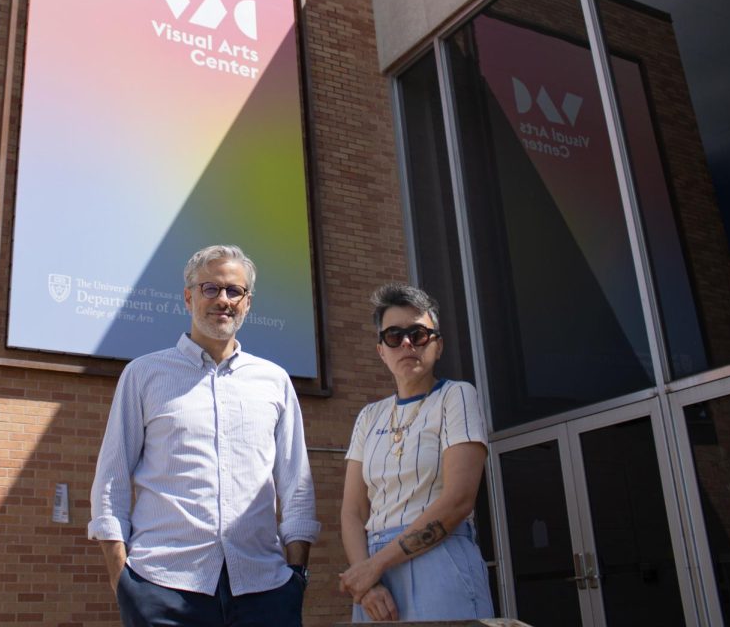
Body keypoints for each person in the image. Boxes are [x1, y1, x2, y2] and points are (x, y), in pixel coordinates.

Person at [88, 245, 319, 627]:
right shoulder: (144, 375)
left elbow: (296, 484)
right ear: (188, 296)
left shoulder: (274, 381)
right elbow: (111, 479)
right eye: (210, 288)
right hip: (161, 587)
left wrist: (296, 575)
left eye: (234, 291)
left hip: (266, 590)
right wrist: (122, 580)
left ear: (248, 303)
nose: (223, 300)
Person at [338, 283, 493, 622]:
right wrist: (367, 582)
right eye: (393, 336)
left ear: (437, 345)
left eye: (418, 334)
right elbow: (352, 511)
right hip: (374, 577)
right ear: (381, 350)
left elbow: (458, 500)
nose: (406, 343)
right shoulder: (369, 416)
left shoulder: (456, 397)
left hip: (438, 556)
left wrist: (373, 567)